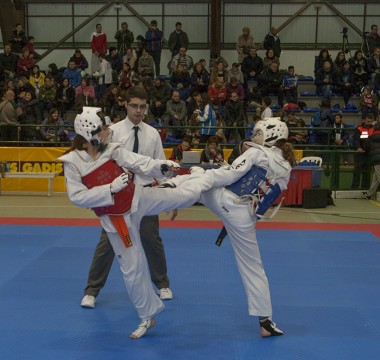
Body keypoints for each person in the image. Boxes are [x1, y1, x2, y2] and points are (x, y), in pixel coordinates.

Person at [60, 106, 214, 339]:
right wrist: (110, 188)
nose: (107, 132)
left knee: (180, 196)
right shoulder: (72, 163)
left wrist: (160, 167)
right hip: (117, 220)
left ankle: (207, 177)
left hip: (137, 198)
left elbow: (138, 161)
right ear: (89, 133)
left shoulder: (112, 150)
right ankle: (147, 316)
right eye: (102, 130)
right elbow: (77, 197)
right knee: (133, 270)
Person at [165, 117, 292, 337]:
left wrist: (203, 173)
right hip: (246, 218)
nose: (255, 137)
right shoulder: (287, 167)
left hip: (228, 201)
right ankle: (266, 321)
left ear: (271, 136)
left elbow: (230, 175)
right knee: (254, 267)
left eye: (259, 133)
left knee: (200, 179)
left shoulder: (257, 152)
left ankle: (166, 187)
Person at [81, 86, 177, 313]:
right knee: (107, 244)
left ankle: (162, 284)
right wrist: (97, 196)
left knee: (152, 240)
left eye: (143, 107)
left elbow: (161, 166)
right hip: (117, 197)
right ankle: (91, 291)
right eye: (134, 105)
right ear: (125, 104)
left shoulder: (152, 134)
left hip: (145, 193)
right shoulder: (111, 132)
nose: (138, 110)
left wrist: (171, 198)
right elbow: (99, 165)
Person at [352, 115, 375, 189]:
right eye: (368, 121)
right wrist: (358, 147)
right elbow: (356, 140)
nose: (369, 123)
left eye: (371, 122)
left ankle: (365, 188)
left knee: (367, 172)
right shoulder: (359, 128)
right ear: (364, 120)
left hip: (369, 154)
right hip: (360, 154)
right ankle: (355, 187)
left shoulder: (373, 129)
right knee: (357, 171)